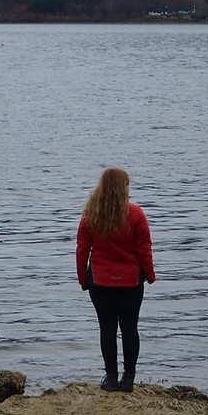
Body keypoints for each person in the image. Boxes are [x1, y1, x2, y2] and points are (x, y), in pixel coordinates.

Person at [76, 166, 155, 392]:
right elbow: (144, 249)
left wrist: (83, 278)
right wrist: (150, 275)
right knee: (130, 328)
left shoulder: (91, 214)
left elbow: (82, 249)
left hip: (100, 282)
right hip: (130, 282)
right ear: (123, 188)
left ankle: (111, 379)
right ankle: (128, 379)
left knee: (107, 328)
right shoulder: (136, 214)